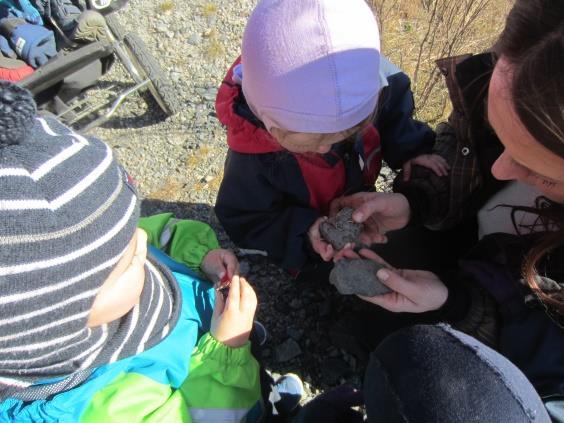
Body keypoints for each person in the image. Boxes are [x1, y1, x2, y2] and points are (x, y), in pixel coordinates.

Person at [0, 81, 303, 422]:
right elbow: (206, 415)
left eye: (130, 232)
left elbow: (158, 233)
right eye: (128, 258)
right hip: (219, 386)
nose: (143, 244)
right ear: (57, 321)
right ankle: (263, 405)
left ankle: (256, 374)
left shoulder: (93, 262)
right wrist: (226, 351)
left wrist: (198, 254)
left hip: (205, 329)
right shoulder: (97, 408)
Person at [329, 0, 564, 420]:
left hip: (498, 323)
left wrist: (461, 310)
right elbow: (467, 148)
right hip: (467, 263)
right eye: (500, 132)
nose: (501, 168)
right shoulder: (522, 68)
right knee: (393, 254)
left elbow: (540, 386)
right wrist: (416, 201)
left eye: (536, 169)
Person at [214, 0, 448, 277]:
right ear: (268, 122)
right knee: (325, 272)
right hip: (306, 236)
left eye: (349, 131)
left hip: (356, 202)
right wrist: (308, 232)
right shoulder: (252, 159)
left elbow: (393, 114)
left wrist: (412, 150)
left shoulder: (375, 88)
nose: (326, 147)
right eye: (308, 143)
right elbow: (247, 219)